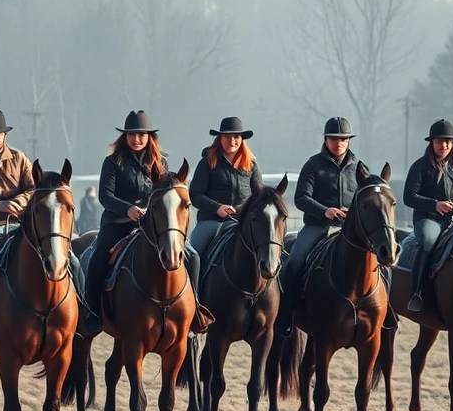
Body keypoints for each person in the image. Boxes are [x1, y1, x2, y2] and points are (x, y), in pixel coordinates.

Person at [0, 106, 92, 343]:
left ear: (5, 135)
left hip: (19, 225)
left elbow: (33, 190)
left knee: (72, 260)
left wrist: (19, 201)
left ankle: (85, 312)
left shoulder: (19, 159)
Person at [82, 110, 212, 336]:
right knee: (97, 258)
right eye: (132, 134)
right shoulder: (112, 162)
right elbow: (105, 196)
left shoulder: (161, 162)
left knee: (193, 257)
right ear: (125, 136)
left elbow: (166, 194)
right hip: (118, 222)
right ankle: (92, 313)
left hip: (153, 225)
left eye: (141, 134)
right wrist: (128, 209)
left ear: (150, 137)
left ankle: (195, 310)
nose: (136, 139)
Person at [276, 117, 360, 336]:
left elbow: (364, 200)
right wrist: (325, 211)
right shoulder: (312, 165)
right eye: (334, 139)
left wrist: (353, 212)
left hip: (348, 229)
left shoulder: (359, 168)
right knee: (294, 261)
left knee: (378, 263)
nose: (338, 143)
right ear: (325, 140)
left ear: (348, 141)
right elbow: (301, 198)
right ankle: (286, 315)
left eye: (343, 139)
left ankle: (386, 311)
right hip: (317, 227)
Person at [403, 119, 453, 312]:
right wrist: (435, 205)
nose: (444, 145)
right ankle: (417, 292)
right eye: (440, 141)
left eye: (448, 141)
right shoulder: (419, 167)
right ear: (432, 142)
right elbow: (408, 197)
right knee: (428, 242)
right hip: (428, 219)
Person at [188, 116, 262, 259]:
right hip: (210, 221)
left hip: (243, 222)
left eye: (236, 137)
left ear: (242, 140)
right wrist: (217, 207)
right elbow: (195, 194)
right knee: (192, 256)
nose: (232, 140)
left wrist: (240, 209)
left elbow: (259, 196)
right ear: (220, 139)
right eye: (227, 136)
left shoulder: (251, 165)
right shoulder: (207, 163)